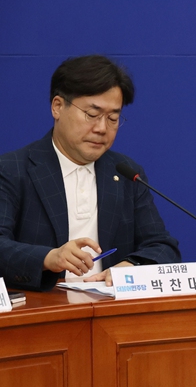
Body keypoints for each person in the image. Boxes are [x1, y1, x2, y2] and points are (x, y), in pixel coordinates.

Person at [0, 55, 180, 291]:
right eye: (92, 115)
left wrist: (132, 266)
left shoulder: (126, 173)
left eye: (113, 118)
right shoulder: (12, 170)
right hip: (43, 305)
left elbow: (163, 246)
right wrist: (49, 258)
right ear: (57, 107)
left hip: (110, 306)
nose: (102, 128)